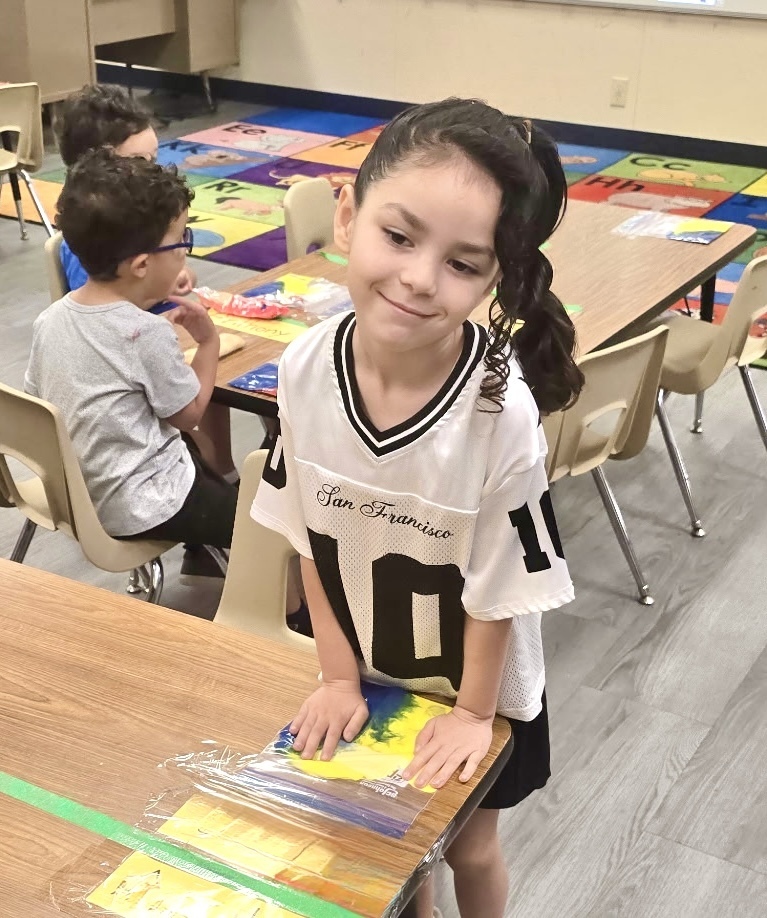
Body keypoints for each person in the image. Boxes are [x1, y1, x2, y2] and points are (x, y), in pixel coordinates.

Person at [251, 98, 584, 917]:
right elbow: (310, 541)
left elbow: (498, 592)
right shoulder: (303, 368)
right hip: (369, 664)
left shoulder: (497, 413)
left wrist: (472, 714)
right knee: (389, 836)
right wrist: (337, 676)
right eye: (398, 237)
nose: (418, 278)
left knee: (469, 847)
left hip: (481, 690)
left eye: (462, 264)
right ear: (347, 214)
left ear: (494, 278)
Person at [25, 150, 237, 573]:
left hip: (79, 495)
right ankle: (285, 604)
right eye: (182, 242)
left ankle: (201, 555)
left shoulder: (50, 320)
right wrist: (208, 343)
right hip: (140, 504)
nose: (185, 254)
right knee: (263, 520)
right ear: (141, 265)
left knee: (195, 455)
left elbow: (38, 403)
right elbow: (190, 414)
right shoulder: (144, 333)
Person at [55, 84, 195, 304]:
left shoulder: (145, 218)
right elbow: (99, 309)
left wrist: (178, 274)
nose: (153, 171)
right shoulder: (90, 243)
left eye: (154, 159)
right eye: (139, 161)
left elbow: (170, 266)